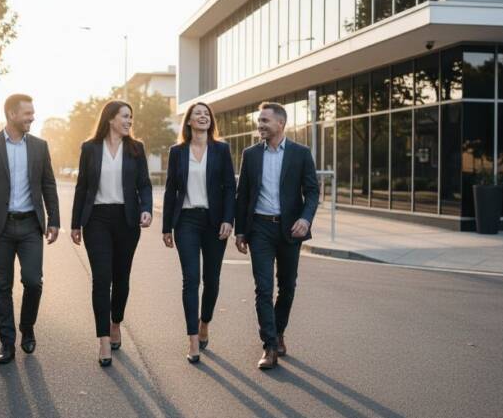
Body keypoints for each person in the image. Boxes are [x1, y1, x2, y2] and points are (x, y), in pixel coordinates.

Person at [0, 93, 60, 365]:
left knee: (33, 281)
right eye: (27, 113)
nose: (32, 117)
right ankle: (7, 343)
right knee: (2, 286)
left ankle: (27, 327)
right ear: (12, 114)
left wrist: (54, 220)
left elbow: (48, 184)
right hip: (0, 227)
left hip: (31, 225)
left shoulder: (40, 147)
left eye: (32, 112)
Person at [234, 102, 319, 370]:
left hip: (290, 229)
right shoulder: (250, 154)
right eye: (259, 120)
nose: (260, 125)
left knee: (287, 286)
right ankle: (269, 346)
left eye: (265, 121)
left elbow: (312, 192)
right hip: (259, 228)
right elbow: (242, 195)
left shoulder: (300, 153)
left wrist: (305, 219)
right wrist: (240, 231)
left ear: (280, 123)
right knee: (263, 288)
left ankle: (279, 331)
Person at [71, 100, 152, 367]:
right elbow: (82, 186)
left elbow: (144, 184)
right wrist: (75, 224)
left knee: (121, 278)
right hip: (97, 219)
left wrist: (147, 209)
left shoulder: (136, 148)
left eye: (131, 117)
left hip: (127, 220)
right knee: (101, 278)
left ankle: (115, 322)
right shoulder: (90, 148)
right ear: (110, 119)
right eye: (125, 116)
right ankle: (103, 339)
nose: (129, 121)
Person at [162, 102, 235, 364]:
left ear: (210, 121)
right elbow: (171, 190)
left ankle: (205, 323)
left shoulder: (221, 149)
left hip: (215, 222)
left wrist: (228, 219)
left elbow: (230, 187)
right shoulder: (177, 152)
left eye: (206, 114)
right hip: (187, 221)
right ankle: (193, 338)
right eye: (197, 114)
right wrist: (166, 227)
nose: (203, 117)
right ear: (189, 122)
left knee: (211, 280)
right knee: (191, 279)